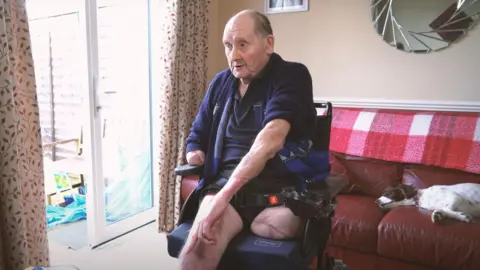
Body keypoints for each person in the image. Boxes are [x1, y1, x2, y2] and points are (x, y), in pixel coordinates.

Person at [179, 9, 317, 270]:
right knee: (201, 241)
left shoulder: (292, 75)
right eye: (228, 46)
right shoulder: (220, 83)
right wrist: (193, 153)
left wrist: (222, 198)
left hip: (279, 193)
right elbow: (198, 132)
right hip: (226, 191)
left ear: (268, 44)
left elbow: (271, 139)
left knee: (271, 223)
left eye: (243, 45)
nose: (234, 56)